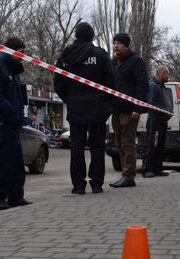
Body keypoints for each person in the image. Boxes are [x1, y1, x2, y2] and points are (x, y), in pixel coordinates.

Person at [54, 22, 115, 195]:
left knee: (77, 148)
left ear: (76, 35)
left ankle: (78, 186)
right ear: (91, 36)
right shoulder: (100, 55)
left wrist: (70, 99)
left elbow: (58, 81)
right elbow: (111, 81)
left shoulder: (66, 55)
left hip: (76, 108)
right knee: (97, 147)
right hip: (97, 109)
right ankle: (97, 184)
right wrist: (105, 103)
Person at [0, 37, 31, 210]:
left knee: (17, 161)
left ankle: (16, 195)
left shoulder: (12, 71)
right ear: (11, 51)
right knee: (3, 160)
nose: (23, 57)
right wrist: (11, 111)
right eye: (21, 53)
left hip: (12, 123)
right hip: (1, 123)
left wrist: (20, 115)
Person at [109, 32, 149, 188]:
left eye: (119, 43)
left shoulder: (136, 61)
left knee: (127, 143)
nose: (115, 46)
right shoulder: (113, 63)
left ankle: (129, 176)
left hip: (130, 110)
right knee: (119, 143)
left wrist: (137, 108)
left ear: (126, 45)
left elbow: (142, 85)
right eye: (114, 43)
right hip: (116, 109)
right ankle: (125, 173)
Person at [142, 65, 173, 178]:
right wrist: (164, 111)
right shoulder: (153, 86)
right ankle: (147, 169)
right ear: (161, 74)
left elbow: (169, 104)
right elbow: (150, 103)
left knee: (160, 145)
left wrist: (170, 112)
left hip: (163, 121)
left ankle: (158, 168)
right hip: (154, 121)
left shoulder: (164, 88)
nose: (168, 76)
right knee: (152, 144)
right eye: (167, 73)